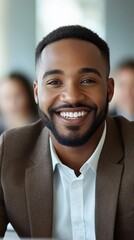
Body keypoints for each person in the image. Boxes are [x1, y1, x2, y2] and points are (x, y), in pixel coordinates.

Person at [0, 25, 134, 240]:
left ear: (109, 90)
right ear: (36, 92)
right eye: (54, 82)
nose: (71, 97)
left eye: (87, 80)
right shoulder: (10, 151)